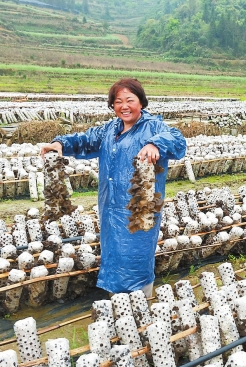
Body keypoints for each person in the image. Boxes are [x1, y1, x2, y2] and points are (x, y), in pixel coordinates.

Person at [40, 78, 186, 298]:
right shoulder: (110, 129)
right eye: (118, 101)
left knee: (135, 255)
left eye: (130, 100)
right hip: (110, 206)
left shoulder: (153, 126)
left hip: (139, 208)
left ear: (141, 102)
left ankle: (139, 301)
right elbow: (84, 140)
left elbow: (177, 140)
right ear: (112, 105)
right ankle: (115, 299)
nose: (124, 106)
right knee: (113, 252)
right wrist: (60, 144)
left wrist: (156, 144)